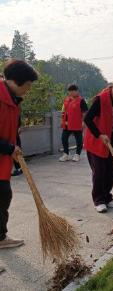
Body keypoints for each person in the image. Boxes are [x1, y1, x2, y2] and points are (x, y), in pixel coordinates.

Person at [0, 59, 38, 249]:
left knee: (4, 196)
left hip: (3, 160)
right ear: (16, 81)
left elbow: (14, 129)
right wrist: (8, 149)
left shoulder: (13, 100)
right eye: (28, 85)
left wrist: (16, 148)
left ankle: (0, 237)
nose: (29, 89)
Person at [83, 79, 113, 213]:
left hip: (111, 143)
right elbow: (87, 119)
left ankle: (107, 196)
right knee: (99, 172)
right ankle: (98, 199)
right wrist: (99, 134)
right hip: (96, 143)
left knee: (110, 171)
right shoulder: (100, 100)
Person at [59, 85, 88, 162]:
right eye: (69, 91)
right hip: (67, 124)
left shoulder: (81, 100)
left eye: (72, 91)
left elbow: (85, 112)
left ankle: (77, 154)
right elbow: (63, 111)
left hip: (77, 123)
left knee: (78, 140)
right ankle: (66, 154)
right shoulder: (66, 100)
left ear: (76, 91)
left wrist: (83, 122)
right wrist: (62, 121)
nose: (71, 93)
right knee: (64, 138)